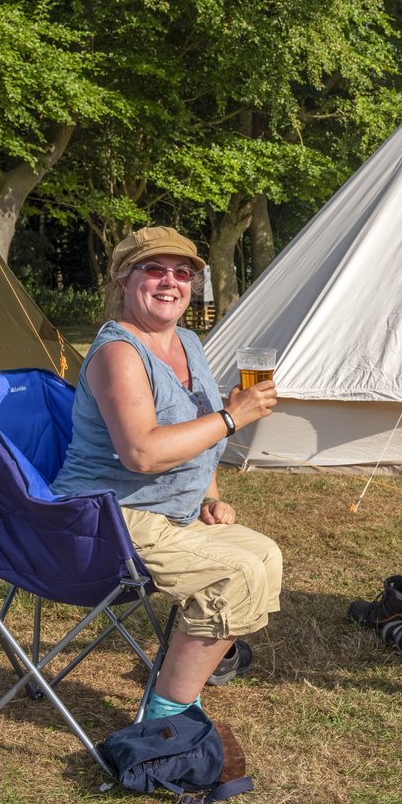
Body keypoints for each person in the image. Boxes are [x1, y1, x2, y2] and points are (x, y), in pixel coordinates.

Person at [51, 226, 282, 721]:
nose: (170, 281)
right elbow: (141, 454)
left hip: (168, 512)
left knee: (265, 554)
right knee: (237, 574)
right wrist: (232, 417)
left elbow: (195, 426)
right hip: (105, 517)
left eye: (183, 273)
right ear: (122, 280)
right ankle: (168, 716)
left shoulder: (189, 342)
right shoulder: (120, 352)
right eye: (154, 269)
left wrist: (208, 494)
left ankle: (196, 665)